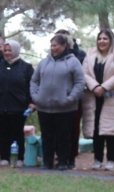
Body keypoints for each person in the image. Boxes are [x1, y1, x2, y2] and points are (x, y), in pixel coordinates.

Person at [29, 34, 85, 170]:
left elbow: (80, 82)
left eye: (56, 45)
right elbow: (34, 81)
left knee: (64, 136)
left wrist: (70, 98)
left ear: (64, 46)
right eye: (51, 46)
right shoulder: (43, 63)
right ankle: (47, 162)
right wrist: (36, 97)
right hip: (44, 107)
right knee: (47, 136)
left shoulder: (73, 62)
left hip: (65, 107)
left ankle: (63, 162)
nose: (53, 48)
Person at [0, 39, 34, 167]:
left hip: (19, 107)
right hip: (0, 106)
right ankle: (4, 157)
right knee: (3, 133)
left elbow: (31, 86)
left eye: (10, 50)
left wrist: (32, 102)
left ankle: (19, 158)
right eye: (5, 50)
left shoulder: (26, 68)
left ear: (16, 50)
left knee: (17, 133)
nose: (7, 53)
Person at [82, 29, 114, 171]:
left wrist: (104, 87)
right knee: (96, 129)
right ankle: (97, 160)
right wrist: (95, 86)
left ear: (111, 40)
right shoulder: (90, 55)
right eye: (99, 39)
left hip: (112, 97)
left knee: (110, 130)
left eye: (105, 39)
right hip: (94, 97)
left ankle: (111, 160)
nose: (101, 41)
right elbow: (83, 73)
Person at [56, 29, 86, 168]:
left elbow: (81, 78)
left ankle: (71, 157)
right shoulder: (52, 56)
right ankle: (60, 156)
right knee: (58, 128)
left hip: (75, 98)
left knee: (73, 128)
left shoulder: (80, 55)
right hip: (55, 98)